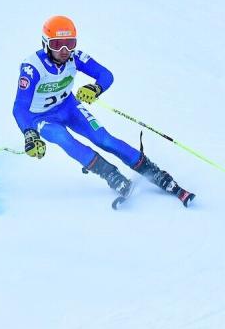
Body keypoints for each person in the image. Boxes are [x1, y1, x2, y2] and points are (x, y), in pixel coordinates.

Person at [13, 15, 195, 207]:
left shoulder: (75, 57)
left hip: (68, 107)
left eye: (70, 43)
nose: (65, 50)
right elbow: (20, 107)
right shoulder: (32, 68)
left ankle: (155, 173)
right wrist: (29, 133)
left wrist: (96, 88)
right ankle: (111, 175)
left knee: (104, 139)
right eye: (57, 44)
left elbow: (105, 75)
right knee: (63, 138)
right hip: (40, 117)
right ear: (46, 44)